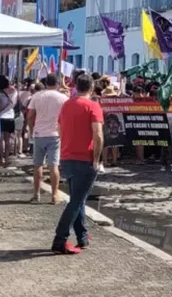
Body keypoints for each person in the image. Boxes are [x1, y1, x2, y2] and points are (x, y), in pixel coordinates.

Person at [52, 74, 104, 254]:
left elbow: (59, 128)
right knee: (75, 201)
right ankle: (60, 238)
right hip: (85, 158)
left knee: (78, 199)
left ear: (75, 87)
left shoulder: (67, 104)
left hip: (67, 156)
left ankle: (82, 237)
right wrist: (97, 159)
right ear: (91, 88)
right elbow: (98, 134)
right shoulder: (93, 106)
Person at [28, 74, 68, 203]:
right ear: (57, 84)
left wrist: (30, 129)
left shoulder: (37, 96)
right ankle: (54, 195)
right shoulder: (63, 98)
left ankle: (36, 194)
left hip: (39, 133)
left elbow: (30, 115)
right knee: (54, 166)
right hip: (55, 134)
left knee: (37, 165)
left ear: (46, 84)